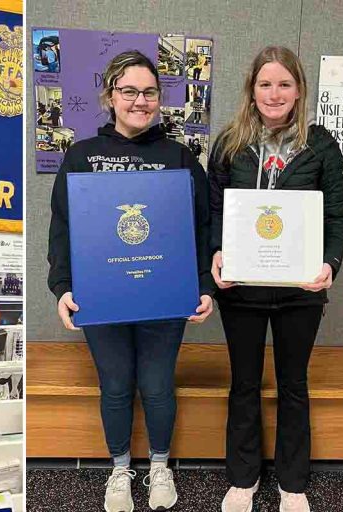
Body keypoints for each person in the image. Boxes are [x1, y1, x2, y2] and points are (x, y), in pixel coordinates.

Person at [47, 50, 215, 512]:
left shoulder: (180, 157)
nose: (139, 101)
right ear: (110, 96)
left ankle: (159, 465)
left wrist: (204, 284)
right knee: (116, 386)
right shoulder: (82, 156)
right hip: (102, 297)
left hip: (165, 297)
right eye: (129, 91)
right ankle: (121, 469)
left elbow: (201, 227)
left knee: (159, 385)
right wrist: (62, 288)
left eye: (148, 92)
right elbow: (62, 227)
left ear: (159, 98)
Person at [208, 46, 343, 512]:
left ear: (299, 89)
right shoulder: (229, 143)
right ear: (251, 88)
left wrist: (330, 263)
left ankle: (292, 483)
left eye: (284, 83)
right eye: (265, 83)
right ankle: (243, 480)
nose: (274, 93)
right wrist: (216, 254)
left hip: (299, 292)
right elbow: (213, 211)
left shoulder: (320, 144)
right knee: (244, 383)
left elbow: (334, 213)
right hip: (242, 290)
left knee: (293, 384)